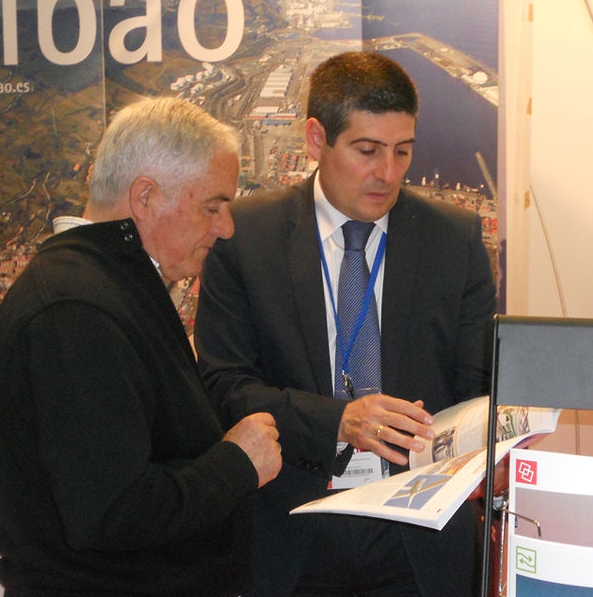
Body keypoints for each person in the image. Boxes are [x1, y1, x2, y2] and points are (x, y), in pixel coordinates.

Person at [194, 52, 497, 597]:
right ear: (316, 139)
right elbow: (224, 386)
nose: (389, 173)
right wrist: (338, 421)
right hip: (290, 528)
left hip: (418, 538)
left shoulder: (455, 240)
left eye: (402, 151)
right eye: (367, 150)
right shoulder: (246, 238)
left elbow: (476, 386)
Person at [0, 97, 282, 597]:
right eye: (212, 207)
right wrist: (236, 464)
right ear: (145, 197)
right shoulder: (75, 312)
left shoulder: (104, 286)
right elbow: (111, 511)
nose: (226, 227)